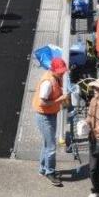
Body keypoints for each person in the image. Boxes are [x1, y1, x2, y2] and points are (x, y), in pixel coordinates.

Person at [32, 57, 69, 187]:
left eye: (63, 70)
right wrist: (60, 99)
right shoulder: (47, 83)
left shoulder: (55, 77)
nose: (62, 73)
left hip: (50, 114)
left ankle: (43, 168)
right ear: (53, 69)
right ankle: (50, 172)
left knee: (47, 144)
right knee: (51, 147)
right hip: (44, 116)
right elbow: (43, 102)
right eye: (60, 71)